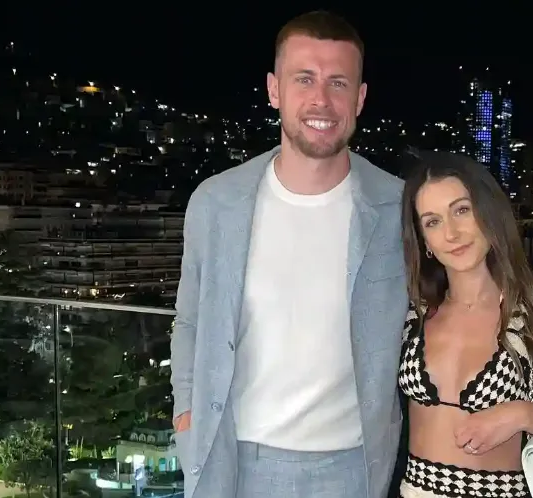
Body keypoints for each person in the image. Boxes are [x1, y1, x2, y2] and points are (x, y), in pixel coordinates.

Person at [170, 11, 408, 498]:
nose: (322, 99)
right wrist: (185, 415)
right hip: (232, 458)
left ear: (360, 98)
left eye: (339, 82)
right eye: (305, 79)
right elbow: (190, 319)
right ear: (274, 90)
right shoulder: (216, 202)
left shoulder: (399, 208)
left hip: (354, 466)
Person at [396, 150, 533, 497]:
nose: (452, 233)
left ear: (488, 214)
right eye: (432, 221)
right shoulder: (412, 314)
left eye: (461, 210)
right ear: (424, 241)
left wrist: (524, 415)